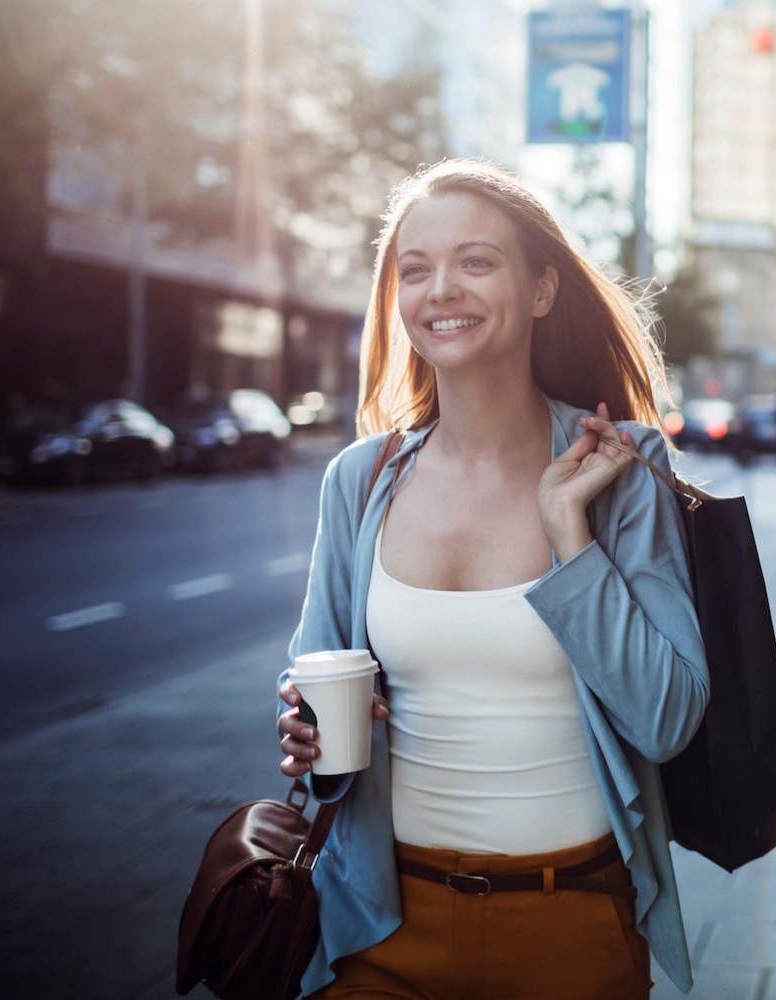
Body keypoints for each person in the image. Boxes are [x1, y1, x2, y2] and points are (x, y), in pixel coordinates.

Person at [274, 159, 710, 999]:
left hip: (572, 929)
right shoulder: (360, 480)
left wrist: (567, 533)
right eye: (416, 268)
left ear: (542, 289)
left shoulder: (622, 467)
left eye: (476, 262)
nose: (442, 289)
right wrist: (306, 736)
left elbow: (667, 720)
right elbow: (315, 699)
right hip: (377, 930)